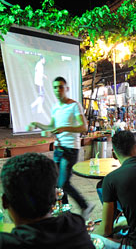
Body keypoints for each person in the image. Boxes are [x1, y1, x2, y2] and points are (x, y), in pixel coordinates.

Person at [29, 76, 94, 219]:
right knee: (57, 184)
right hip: (58, 148)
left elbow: (83, 127)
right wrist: (37, 124)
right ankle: (66, 214)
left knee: (63, 183)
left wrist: (64, 128)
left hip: (70, 148)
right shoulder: (55, 107)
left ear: (67, 89)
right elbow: (52, 126)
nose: (58, 90)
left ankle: (84, 206)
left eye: (60, 87)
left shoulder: (74, 105)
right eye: (55, 87)